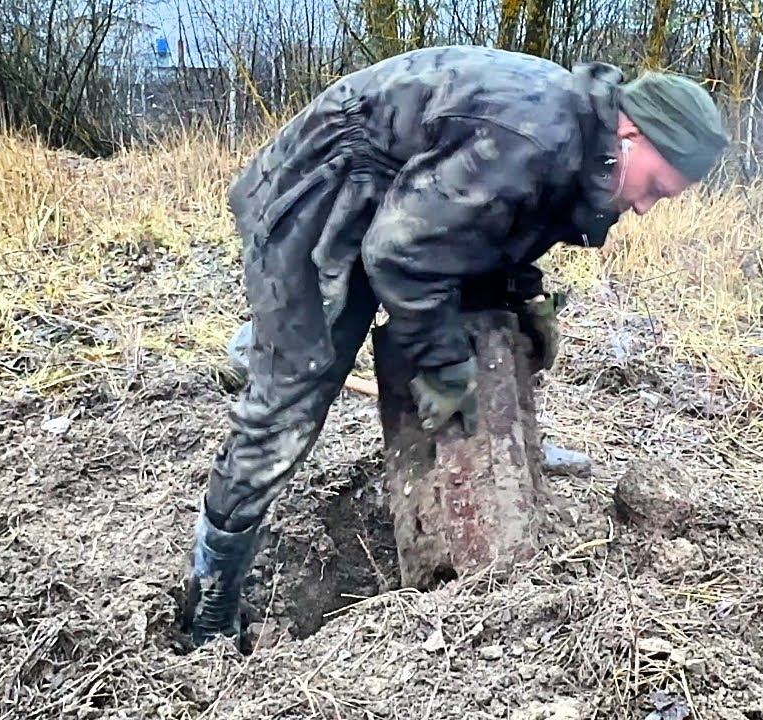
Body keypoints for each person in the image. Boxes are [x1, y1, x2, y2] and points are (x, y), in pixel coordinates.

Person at [180, 45, 729, 648]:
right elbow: (399, 253)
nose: (645, 207)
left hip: (402, 199)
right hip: (325, 189)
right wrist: (441, 364)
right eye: (655, 187)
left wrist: (522, 295)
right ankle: (211, 594)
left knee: (477, 320)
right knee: (296, 389)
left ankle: (479, 476)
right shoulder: (537, 138)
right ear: (632, 133)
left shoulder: (586, 145)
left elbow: (488, 224)